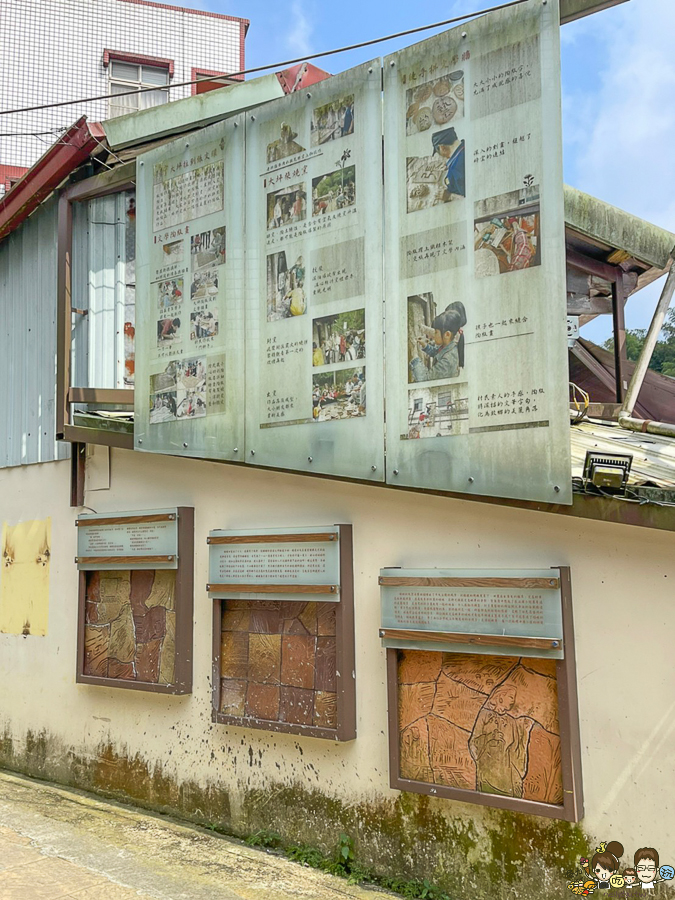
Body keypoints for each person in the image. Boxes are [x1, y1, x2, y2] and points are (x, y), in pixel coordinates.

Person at [410, 310, 461, 382]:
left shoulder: (447, 361)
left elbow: (425, 379)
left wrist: (414, 355)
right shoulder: (448, 346)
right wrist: (425, 345)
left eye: (436, 332)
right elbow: (437, 353)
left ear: (447, 335)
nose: (434, 334)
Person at [432, 127, 466, 199]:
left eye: (438, 152)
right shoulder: (466, 145)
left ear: (442, 148)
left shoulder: (455, 168)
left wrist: (449, 196)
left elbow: (467, 197)